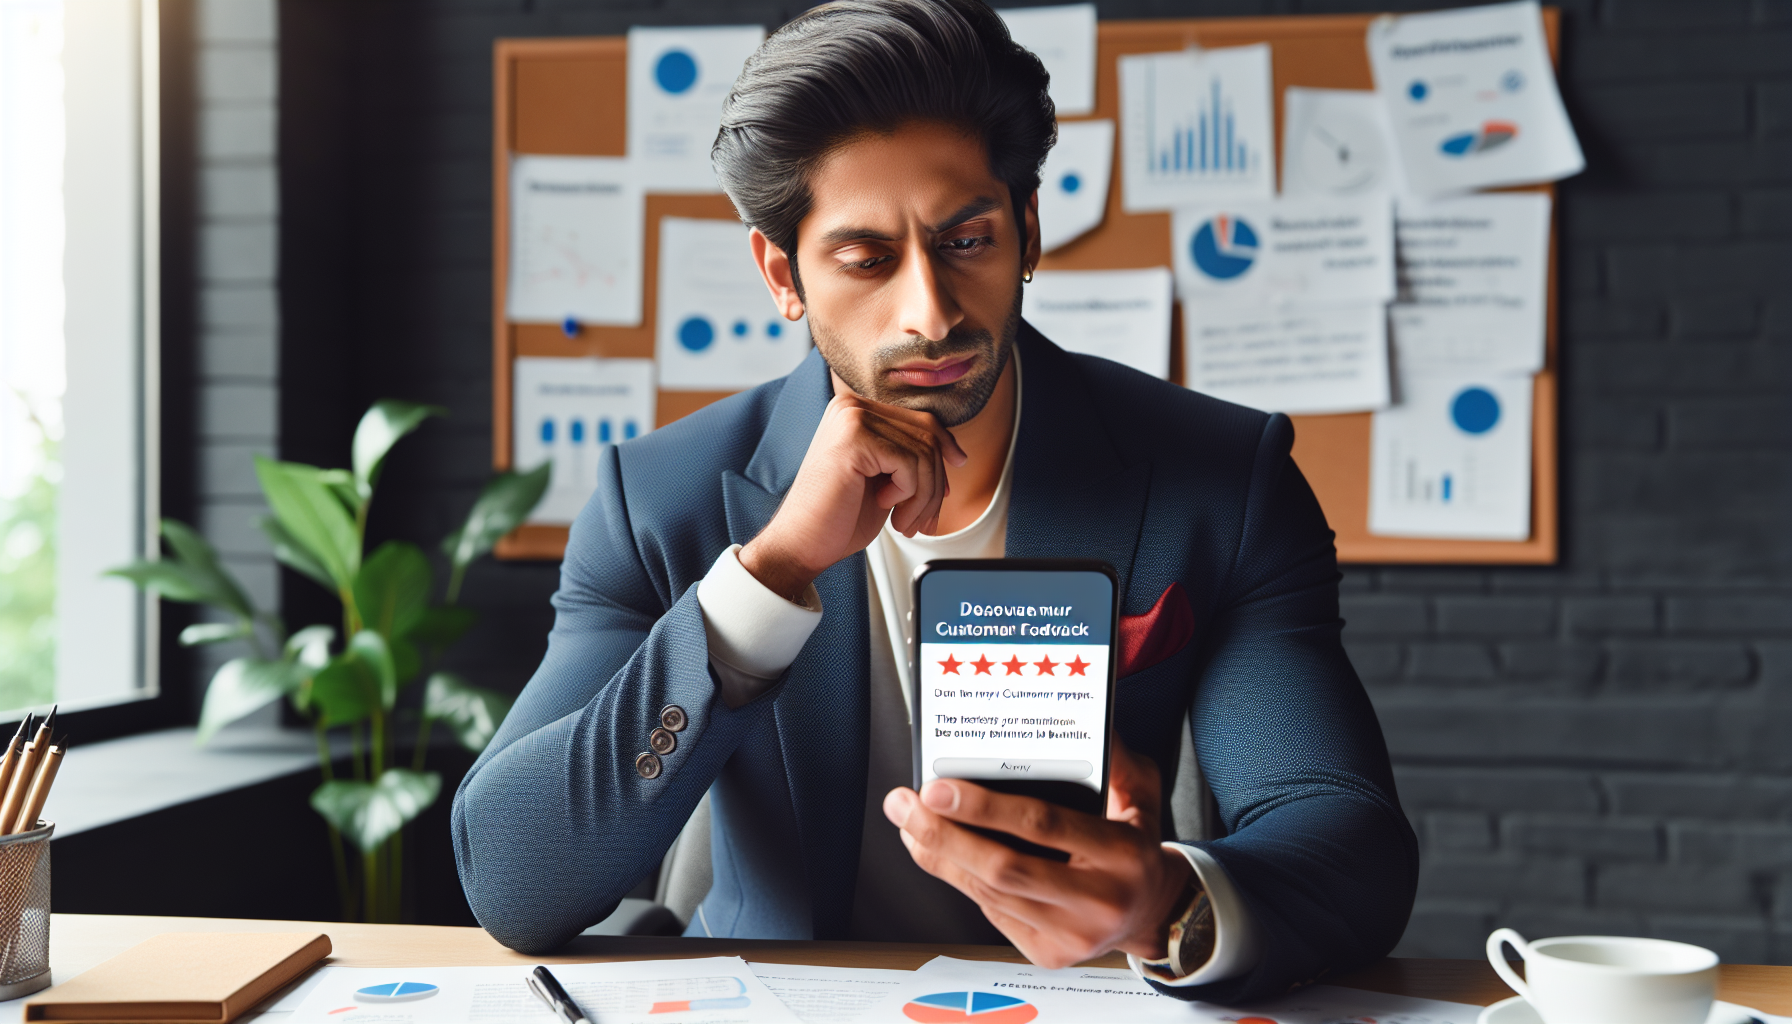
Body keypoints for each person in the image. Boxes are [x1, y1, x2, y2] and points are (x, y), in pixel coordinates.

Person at [452, 0, 1416, 1003]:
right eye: (867, 258)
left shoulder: (1218, 478)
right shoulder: (663, 498)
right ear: (782, 272)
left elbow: (1349, 844)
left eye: (966, 239)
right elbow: (514, 879)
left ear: (1027, 229)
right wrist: (770, 571)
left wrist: (1169, 902)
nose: (931, 312)